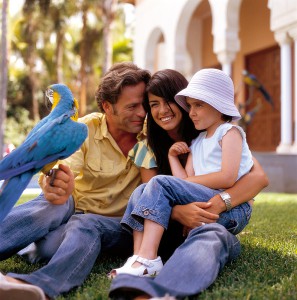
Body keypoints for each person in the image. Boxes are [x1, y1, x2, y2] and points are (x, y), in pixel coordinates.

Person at [109, 69, 268, 298]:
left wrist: (217, 202)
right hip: (182, 219)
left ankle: (153, 270)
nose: (162, 110)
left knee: (207, 234)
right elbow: (176, 185)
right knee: (143, 190)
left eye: (197, 105)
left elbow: (248, 177)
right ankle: (141, 260)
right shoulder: (195, 141)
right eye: (154, 104)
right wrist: (174, 161)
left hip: (226, 211)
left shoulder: (229, 133)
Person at [0, 62, 151, 300]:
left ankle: (38, 287)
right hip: (71, 223)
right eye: (132, 106)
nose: (142, 113)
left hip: (115, 229)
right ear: (107, 107)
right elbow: (64, 167)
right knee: (53, 205)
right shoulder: (83, 128)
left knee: (82, 225)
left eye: (143, 105)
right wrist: (58, 186)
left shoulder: (151, 136)